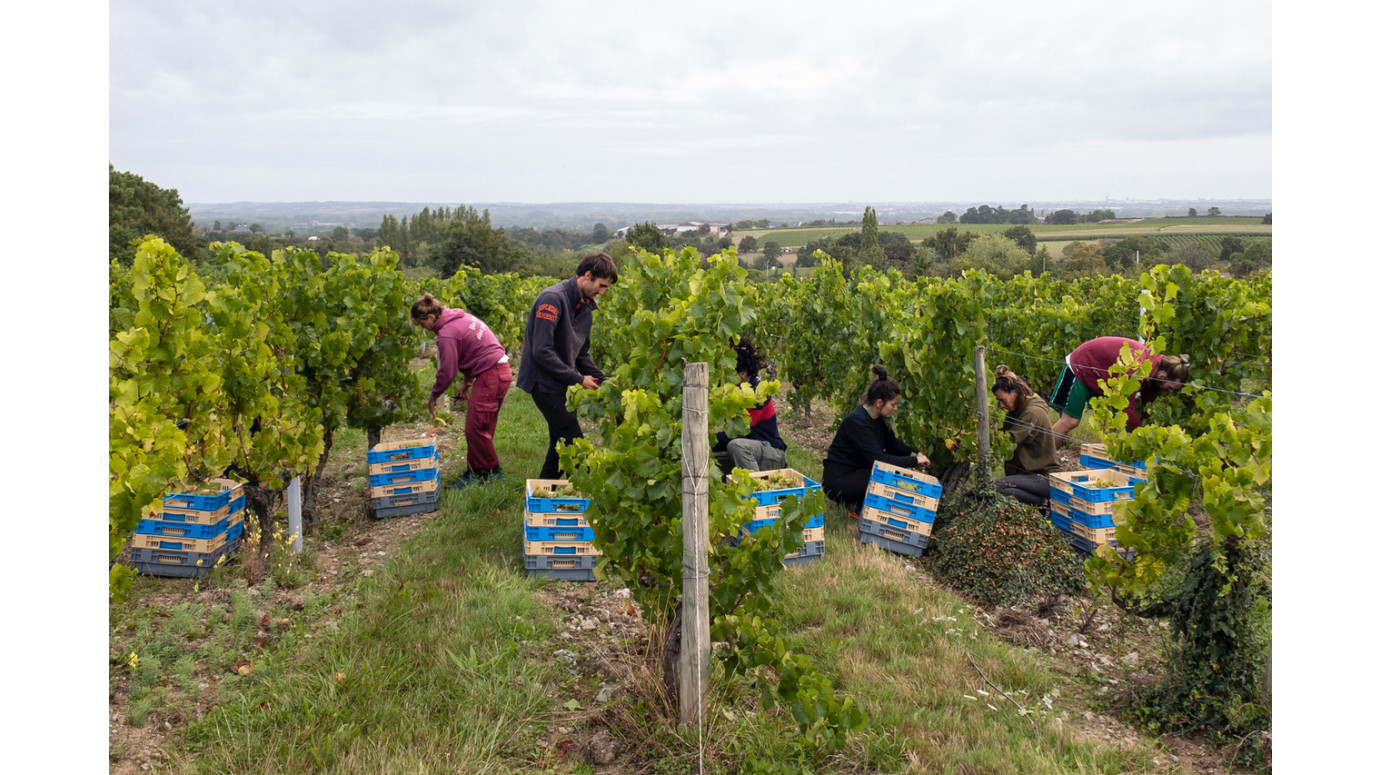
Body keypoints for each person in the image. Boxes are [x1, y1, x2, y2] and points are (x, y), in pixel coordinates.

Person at [516, 252, 618, 479]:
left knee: (559, 447)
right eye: (601, 286)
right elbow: (541, 351)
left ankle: (542, 498)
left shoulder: (585, 307)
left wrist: (606, 382)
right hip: (543, 384)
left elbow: (581, 354)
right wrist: (579, 380)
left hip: (560, 383)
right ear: (587, 275)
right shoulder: (552, 299)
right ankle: (586, 501)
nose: (602, 292)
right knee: (576, 449)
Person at [411, 293, 513, 488]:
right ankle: (476, 471)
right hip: (498, 370)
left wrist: (434, 396)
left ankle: (491, 473)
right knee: (481, 425)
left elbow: (447, 372)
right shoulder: (461, 317)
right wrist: (466, 383)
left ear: (430, 318)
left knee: (475, 428)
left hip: (491, 373)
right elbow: (475, 350)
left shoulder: (447, 333)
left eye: (422, 324)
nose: (425, 329)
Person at [821, 365, 930, 512]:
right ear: (879, 403)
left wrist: (916, 454)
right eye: (893, 404)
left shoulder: (877, 419)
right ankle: (854, 504)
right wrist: (913, 462)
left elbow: (893, 445)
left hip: (856, 473)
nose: (895, 408)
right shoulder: (858, 421)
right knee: (882, 475)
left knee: (884, 475)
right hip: (838, 482)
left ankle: (861, 505)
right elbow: (879, 460)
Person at [1049, 336, 1189, 443]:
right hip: (1082, 365)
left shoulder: (1154, 367)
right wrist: (1141, 432)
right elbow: (1126, 408)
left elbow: (1148, 396)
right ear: (1163, 376)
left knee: (1110, 425)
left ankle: (1100, 466)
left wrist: (1149, 422)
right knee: (1070, 421)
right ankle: (1041, 458)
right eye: (1170, 388)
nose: (1170, 392)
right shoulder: (1139, 368)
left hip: (1104, 379)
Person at [712, 336, 788, 473]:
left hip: (771, 453)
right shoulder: (736, 391)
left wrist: (708, 442)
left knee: (735, 445)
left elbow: (737, 433)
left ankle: (755, 489)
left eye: (731, 372)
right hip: (752, 450)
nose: (727, 377)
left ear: (743, 373)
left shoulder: (757, 394)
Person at [990, 365, 1059, 510]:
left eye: (1002, 400)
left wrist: (987, 436)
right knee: (1004, 490)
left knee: (998, 486)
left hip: (1043, 477)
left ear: (1014, 392)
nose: (1000, 405)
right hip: (1029, 475)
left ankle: (1045, 505)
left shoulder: (1031, 413)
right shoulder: (1018, 408)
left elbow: (1008, 442)